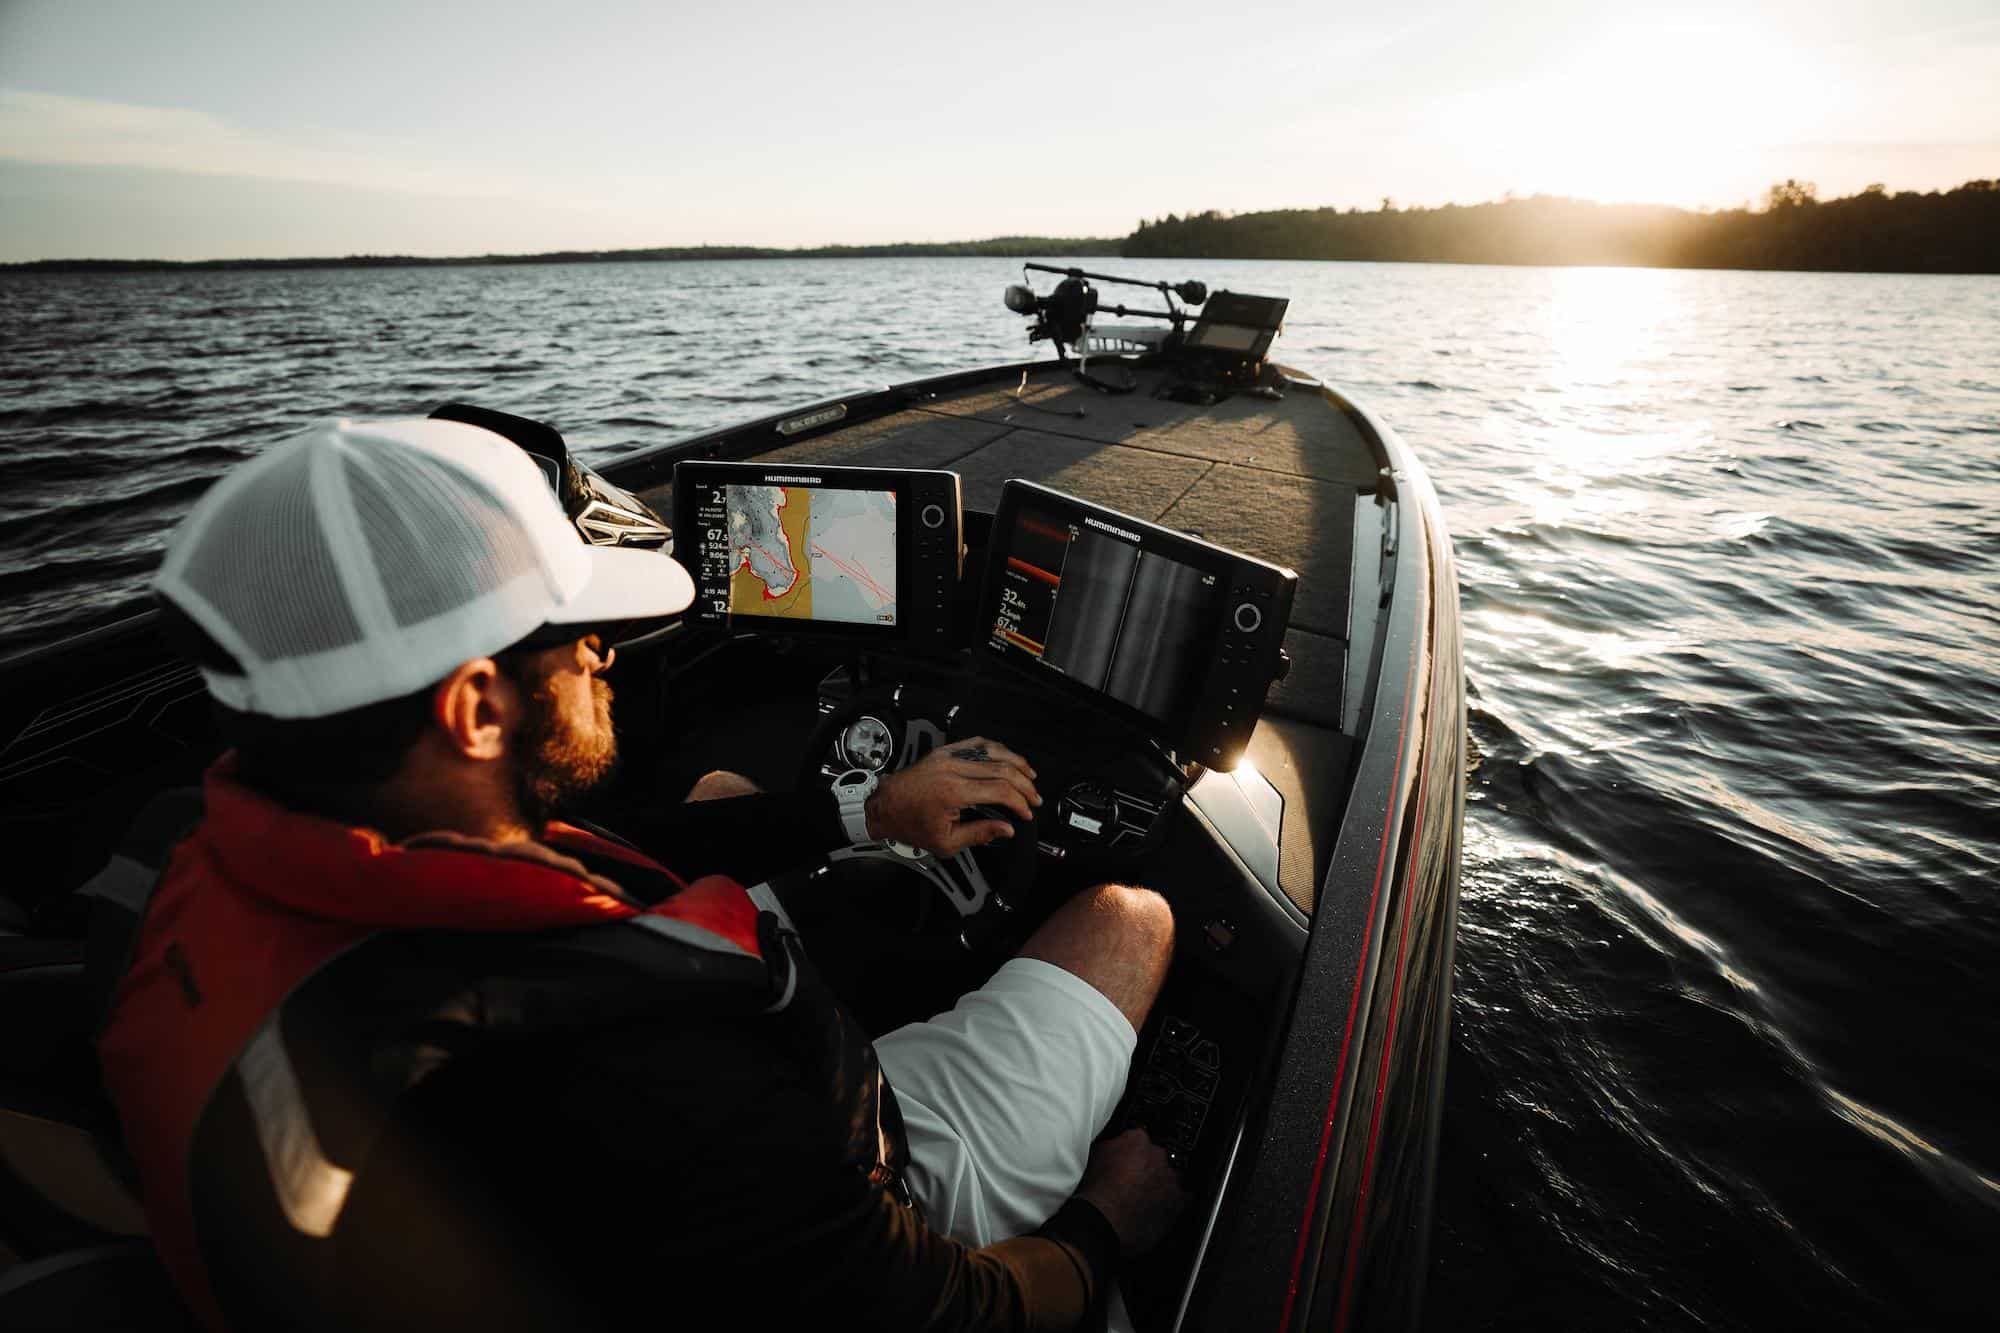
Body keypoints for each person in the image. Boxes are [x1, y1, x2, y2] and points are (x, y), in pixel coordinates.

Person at [98, 416, 1185, 1333]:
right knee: (1125, 916)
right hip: (836, 1198)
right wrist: (1101, 1221)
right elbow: (940, 1309)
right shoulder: (657, 1064)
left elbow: (570, 863)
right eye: (575, 637)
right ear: (474, 709)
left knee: (714, 793)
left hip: (527, 1227)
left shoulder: (205, 863)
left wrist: (865, 809)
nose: (604, 655)